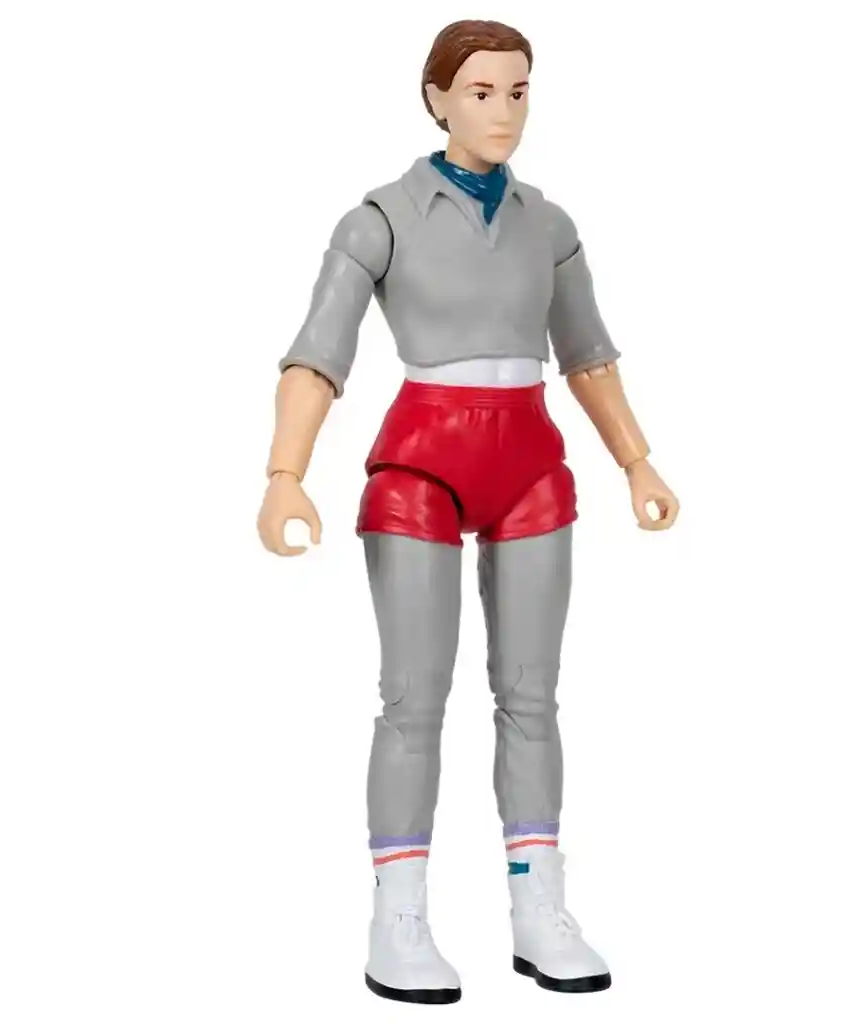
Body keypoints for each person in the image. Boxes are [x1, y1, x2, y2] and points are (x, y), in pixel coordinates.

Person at [257, 18, 679, 1004]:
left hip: (530, 460)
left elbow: (589, 356)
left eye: (518, 90)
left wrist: (637, 460)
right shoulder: (381, 218)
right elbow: (316, 356)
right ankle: (397, 914)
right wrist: (285, 472)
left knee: (531, 694)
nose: (503, 111)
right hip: (423, 462)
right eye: (481, 91)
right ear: (437, 98)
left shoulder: (548, 225)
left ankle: (539, 904)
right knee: (414, 696)